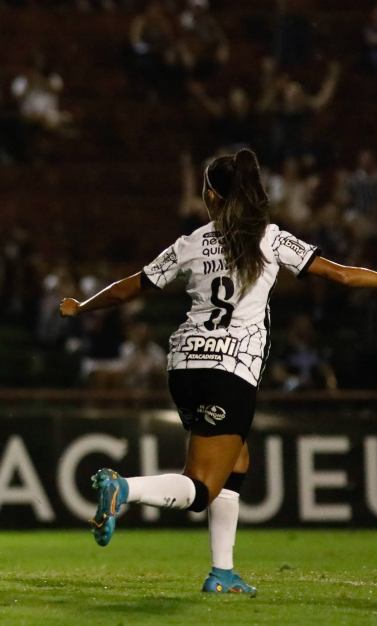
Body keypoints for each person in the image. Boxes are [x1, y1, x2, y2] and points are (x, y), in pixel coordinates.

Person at [60, 148, 377, 594]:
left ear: (210, 195)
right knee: (201, 487)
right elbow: (342, 276)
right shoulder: (270, 239)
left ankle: (222, 573)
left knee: (237, 461)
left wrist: (82, 305)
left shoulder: (191, 242)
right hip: (229, 371)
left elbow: (130, 286)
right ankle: (123, 490)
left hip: (184, 365)